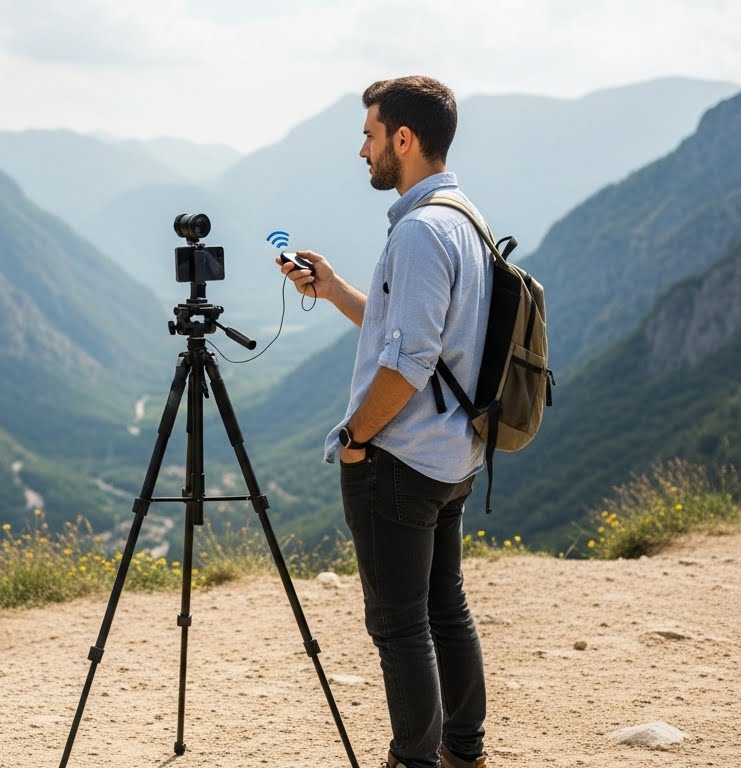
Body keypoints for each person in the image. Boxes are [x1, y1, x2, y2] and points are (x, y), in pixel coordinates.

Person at [277, 76, 491, 768]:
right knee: (443, 610)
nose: (361, 150)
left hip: (401, 459)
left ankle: (413, 760)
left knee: (399, 627)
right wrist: (336, 290)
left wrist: (355, 440)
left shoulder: (421, 232)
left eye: (369, 136)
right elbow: (416, 331)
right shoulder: (463, 219)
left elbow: (409, 363)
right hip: (453, 451)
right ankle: (464, 750)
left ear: (403, 139)